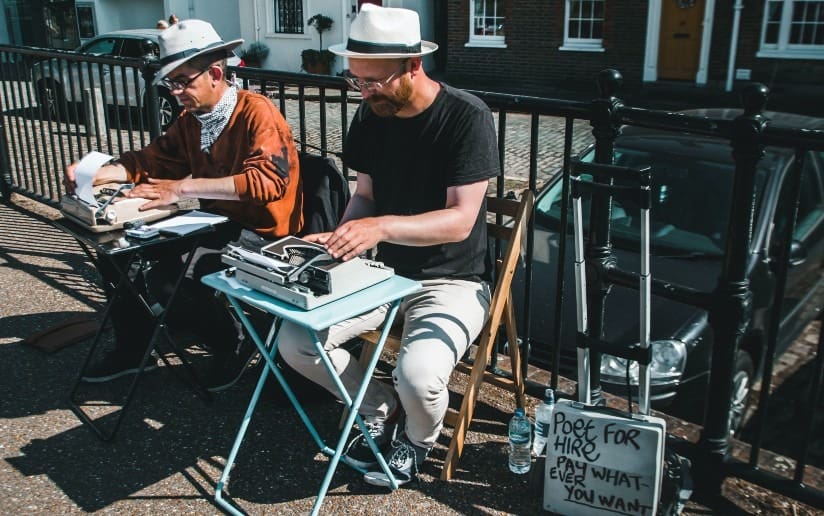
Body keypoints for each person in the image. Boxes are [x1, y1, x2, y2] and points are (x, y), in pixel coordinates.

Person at [278, 4, 500, 486]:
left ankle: (418, 441)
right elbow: (365, 196)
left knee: (418, 376)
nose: (364, 90)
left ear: (413, 66)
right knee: (294, 342)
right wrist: (344, 236)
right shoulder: (372, 114)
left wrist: (379, 229)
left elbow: (460, 221)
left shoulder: (466, 117)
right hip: (382, 275)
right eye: (356, 80)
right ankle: (377, 405)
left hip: (455, 281)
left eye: (373, 80)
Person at [64, 19, 302, 392]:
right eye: (170, 83)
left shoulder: (258, 112)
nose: (176, 92)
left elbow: (268, 182)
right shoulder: (191, 120)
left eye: (182, 81)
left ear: (216, 74)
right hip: (215, 221)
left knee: (172, 277)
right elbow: (155, 159)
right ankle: (134, 346)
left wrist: (181, 188)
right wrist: (102, 173)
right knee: (118, 256)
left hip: (261, 230)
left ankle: (233, 342)